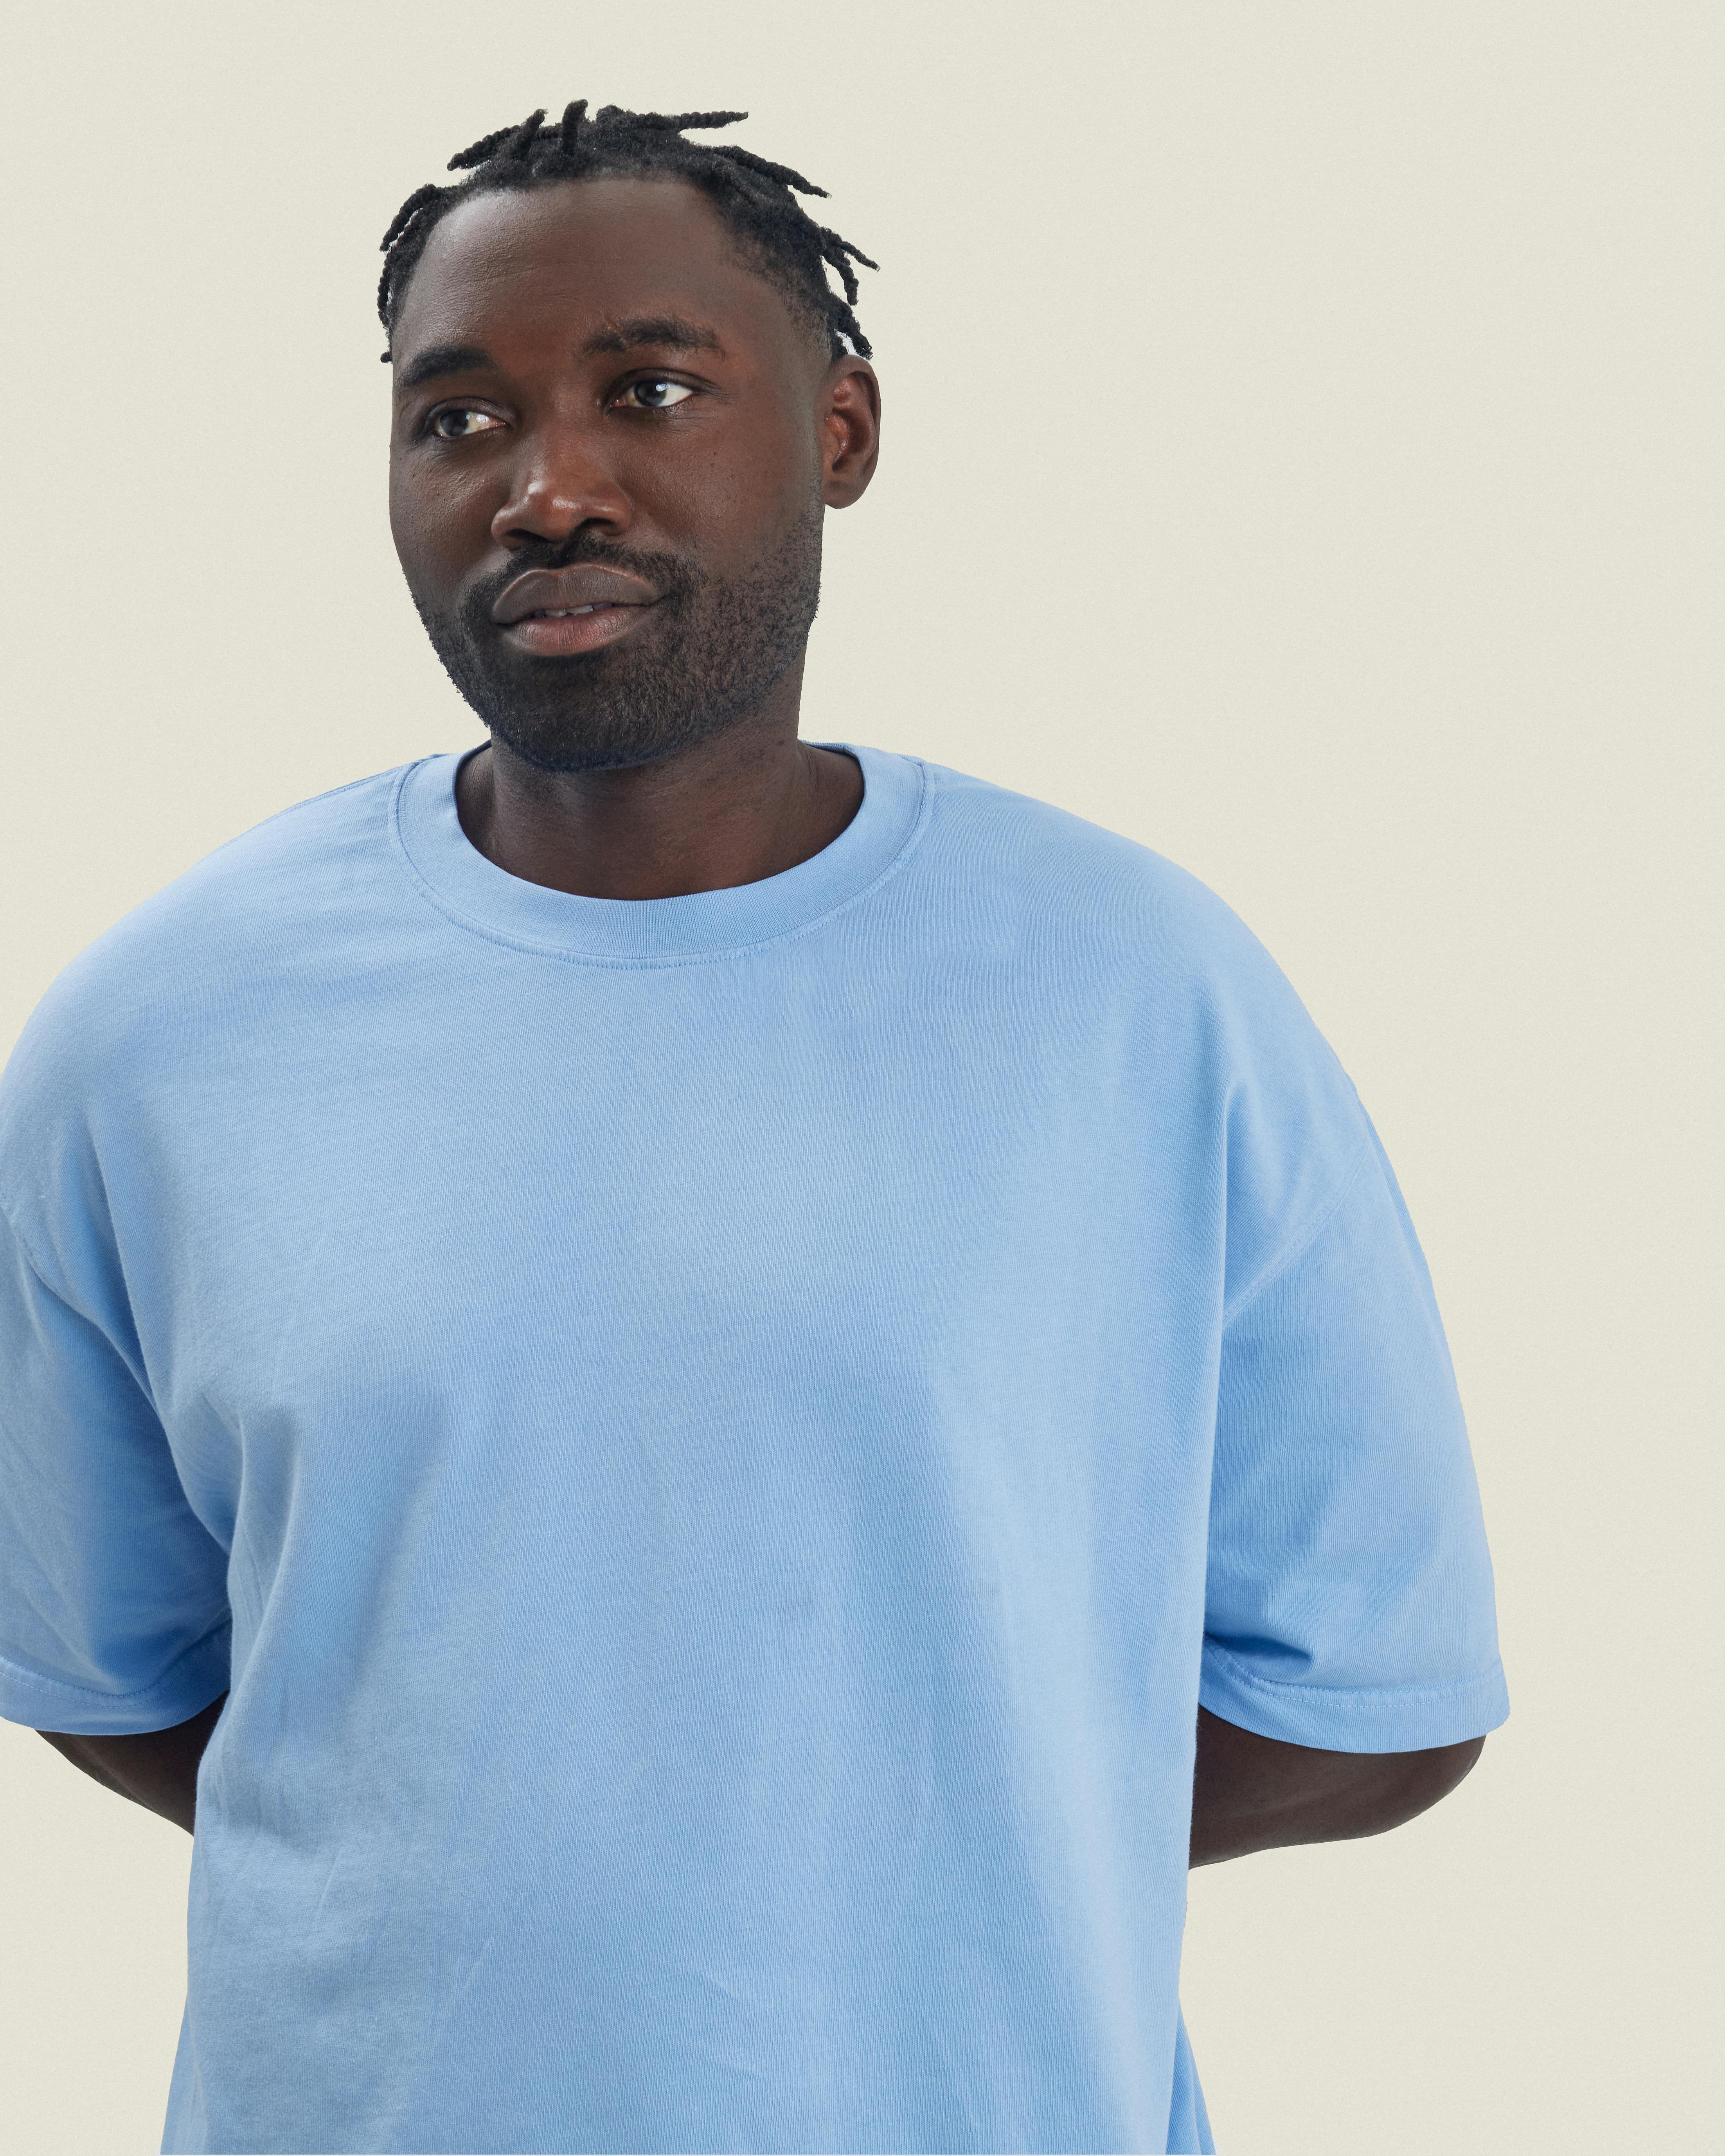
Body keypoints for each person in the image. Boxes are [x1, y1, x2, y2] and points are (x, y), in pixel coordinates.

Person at [0, 103, 1507, 2156]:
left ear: (842, 432)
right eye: (459, 418)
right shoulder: (153, 1036)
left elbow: (1373, 1704)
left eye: (647, 388)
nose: (547, 488)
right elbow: (114, 1670)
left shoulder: (1146, 997)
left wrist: (897, 1836)